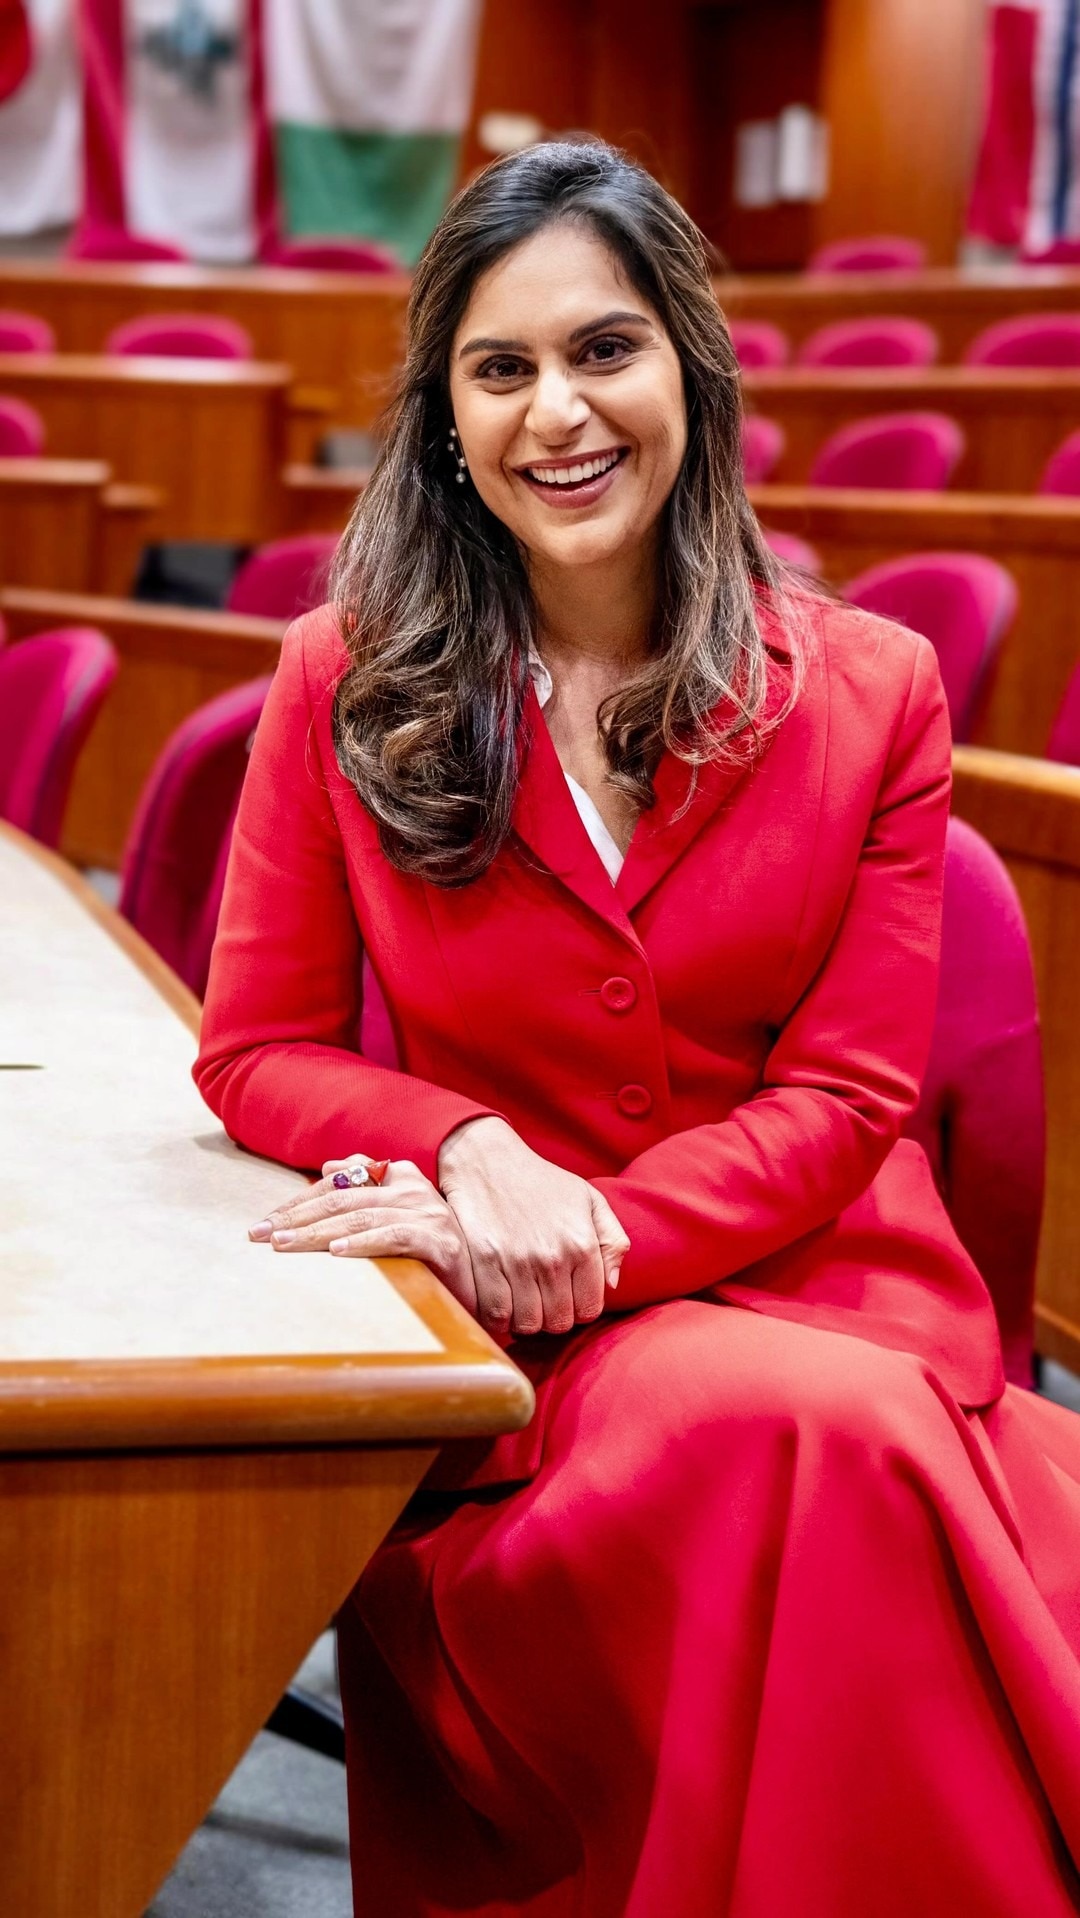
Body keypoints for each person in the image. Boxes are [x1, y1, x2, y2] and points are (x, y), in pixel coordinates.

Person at [195, 142, 1080, 1916]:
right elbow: (254, 1049)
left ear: (692, 362)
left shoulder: (874, 689)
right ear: (447, 416)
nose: (558, 411)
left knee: (814, 1432)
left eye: (605, 348)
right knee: (796, 1444)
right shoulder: (341, 675)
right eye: (500, 368)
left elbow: (847, 1096)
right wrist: (470, 1145)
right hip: (515, 1339)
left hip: (814, 1282)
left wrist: (591, 1229)